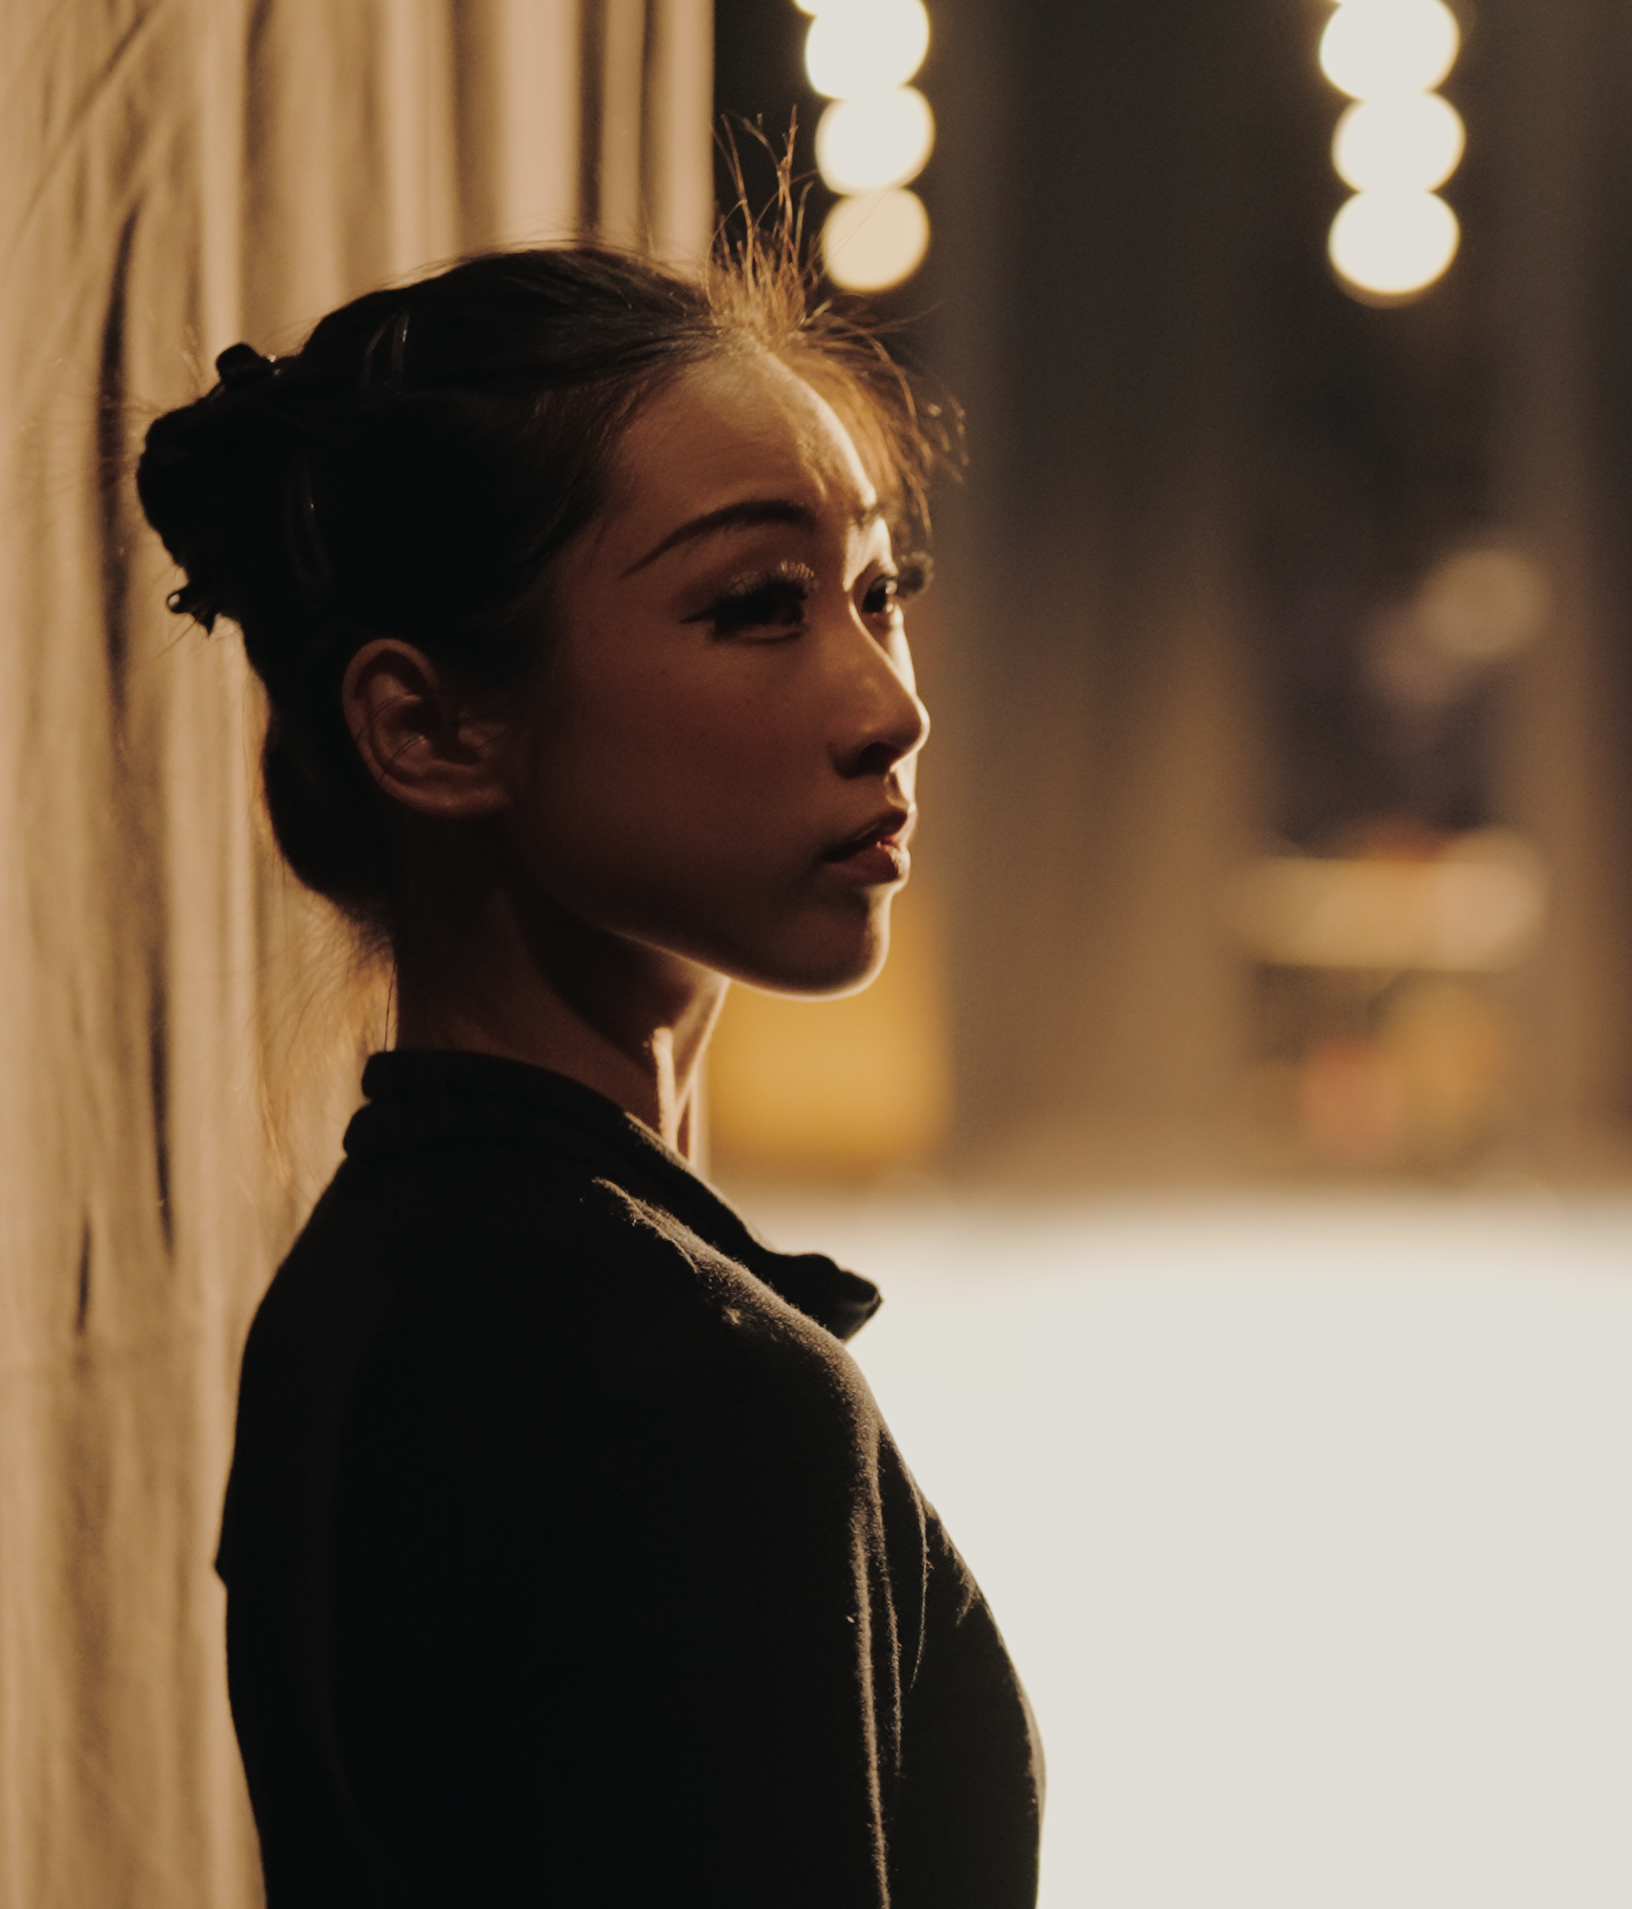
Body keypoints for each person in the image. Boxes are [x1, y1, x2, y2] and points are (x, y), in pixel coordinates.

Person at [141, 240, 1042, 1904]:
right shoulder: (681, 1386)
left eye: (877, 590)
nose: (886, 705)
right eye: (754, 606)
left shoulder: (367, 1288)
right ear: (429, 731)